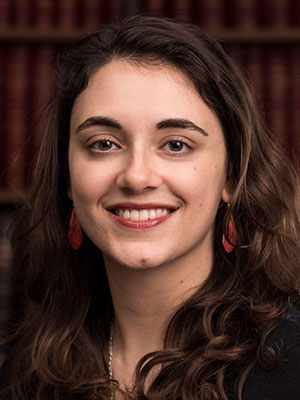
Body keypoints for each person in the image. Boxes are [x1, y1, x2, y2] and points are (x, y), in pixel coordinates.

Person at [1, 15, 300, 400]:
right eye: (104, 144)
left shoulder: (290, 364)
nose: (137, 177)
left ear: (231, 176)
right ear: (68, 179)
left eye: (176, 144)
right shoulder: (27, 370)